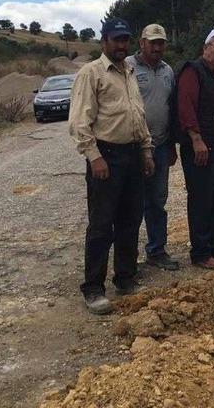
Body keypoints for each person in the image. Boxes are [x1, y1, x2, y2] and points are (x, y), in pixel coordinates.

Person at [68, 18, 155, 315]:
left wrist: (146, 151)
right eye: (116, 39)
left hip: (132, 155)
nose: (121, 45)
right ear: (104, 41)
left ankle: (126, 278)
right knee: (102, 225)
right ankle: (93, 288)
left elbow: (138, 115)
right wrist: (95, 157)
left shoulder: (129, 71)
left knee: (130, 221)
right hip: (106, 155)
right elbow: (80, 120)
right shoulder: (91, 73)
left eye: (125, 40)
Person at [176, 28, 214, 269]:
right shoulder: (193, 71)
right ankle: (201, 253)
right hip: (199, 146)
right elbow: (186, 105)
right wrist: (195, 138)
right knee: (201, 198)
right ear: (205, 48)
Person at [125, 24, 179, 271]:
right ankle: (126, 259)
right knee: (131, 203)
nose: (157, 47)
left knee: (157, 201)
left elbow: (171, 107)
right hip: (133, 147)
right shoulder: (127, 66)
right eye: (153, 42)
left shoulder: (168, 71)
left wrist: (171, 146)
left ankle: (156, 250)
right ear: (142, 42)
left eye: (161, 43)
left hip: (161, 144)